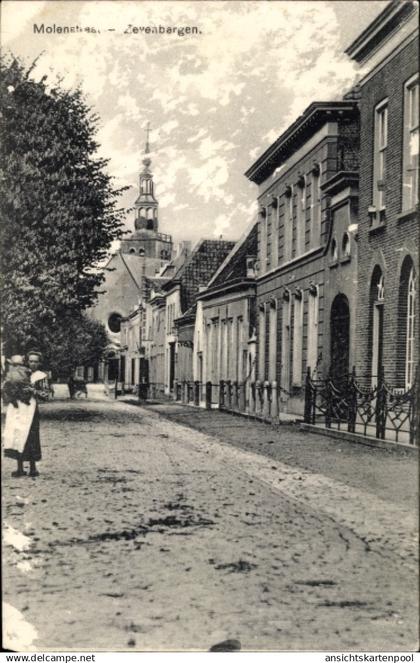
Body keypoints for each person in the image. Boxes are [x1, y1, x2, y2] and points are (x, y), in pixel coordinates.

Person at [3, 351, 49, 478]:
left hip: (31, 410)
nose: (33, 363)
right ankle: (19, 468)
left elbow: (46, 395)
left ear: (39, 363)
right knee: (17, 434)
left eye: (36, 361)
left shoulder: (40, 376)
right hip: (17, 410)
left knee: (31, 436)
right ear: (26, 361)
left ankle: (33, 468)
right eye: (31, 361)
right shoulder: (19, 373)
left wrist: (33, 390)